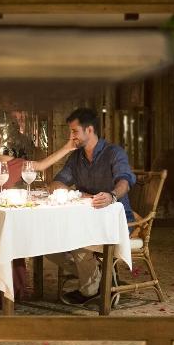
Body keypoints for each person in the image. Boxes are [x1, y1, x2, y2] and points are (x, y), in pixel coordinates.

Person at [0, 114, 76, 308]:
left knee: (10, 233)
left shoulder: (3, 161)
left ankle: (7, 290)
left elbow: (39, 166)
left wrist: (68, 147)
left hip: (0, 225)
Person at [47, 107, 137, 306]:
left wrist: (112, 196)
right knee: (47, 243)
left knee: (77, 242)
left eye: (74, 131)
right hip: (84, 221)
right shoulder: (76, 157)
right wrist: (81, 195)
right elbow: (56, 184)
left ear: (89, 130)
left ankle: (89, 289)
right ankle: (101, 278)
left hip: (116, 223)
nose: (71, 137)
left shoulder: (114, 153)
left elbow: (125, 181)